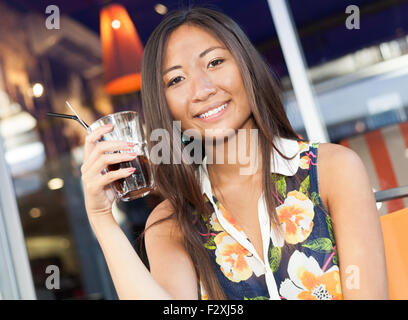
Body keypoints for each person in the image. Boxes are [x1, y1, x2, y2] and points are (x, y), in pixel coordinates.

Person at [80, 7, 388, 300]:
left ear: (246, 66)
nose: (201, 90)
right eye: (176, 80)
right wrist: (102, 220)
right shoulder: (171, 223)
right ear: (165, 107)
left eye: (214, 62)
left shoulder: (333, 170)